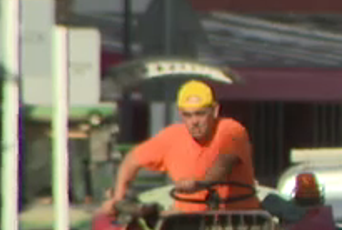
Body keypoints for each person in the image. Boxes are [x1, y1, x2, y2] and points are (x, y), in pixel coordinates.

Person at [101, 79, 261, 215]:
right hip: (186, 228)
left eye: (200, 114)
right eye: (188, 115)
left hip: (239, 223)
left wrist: (201, 184)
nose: (194, 122)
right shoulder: (171, 137)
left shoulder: (231, 130)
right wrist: (118, 197)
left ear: (215, 110)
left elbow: (224, 162)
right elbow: (131, 160)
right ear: (180, 114)